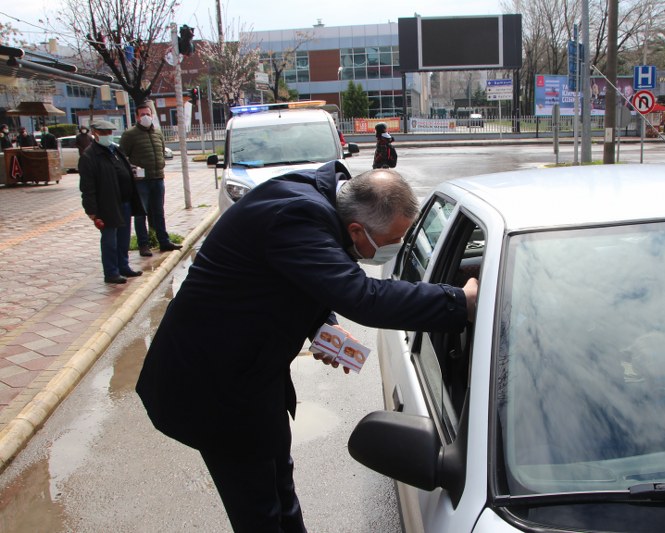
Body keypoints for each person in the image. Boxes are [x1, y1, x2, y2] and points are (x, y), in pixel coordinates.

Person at [136, 162, 478, 532]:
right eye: (393, 240)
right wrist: (460, 301)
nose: (394, 248)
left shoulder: (321, 204)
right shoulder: (295, 214)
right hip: (212, 388)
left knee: (280, 485)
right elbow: (362, 297)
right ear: (356, 229)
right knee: (259, 510)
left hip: (253, 378)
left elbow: (295, 276)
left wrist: (322, 327)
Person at [78, 120, 146, 284]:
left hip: (124, 202)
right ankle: (111, 272)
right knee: (110, 240)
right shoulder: (89, 156)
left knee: (123, 238)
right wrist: (92, 212)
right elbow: (87, 188)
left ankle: (123, 266)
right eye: (104, 133)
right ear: (95, 133)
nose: (108, 135)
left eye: (110, 132)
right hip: (107, 205)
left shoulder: (115, 150)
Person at [118, 101, 182, 257]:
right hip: (141, 182)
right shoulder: (130, 135)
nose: (146, 117)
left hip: (157, 178)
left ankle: (164, 241)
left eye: (148, 114)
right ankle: (143, 245)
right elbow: (121, 156)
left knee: (159, 212)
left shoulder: (157, 133)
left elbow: (160, 150)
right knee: (141, 214)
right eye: (142, 115)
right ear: (137, 117)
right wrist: (132, 170)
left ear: (152, 115)